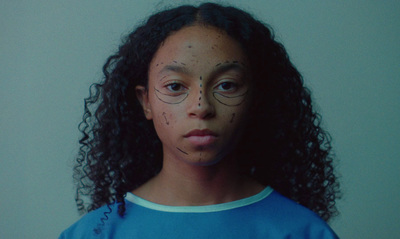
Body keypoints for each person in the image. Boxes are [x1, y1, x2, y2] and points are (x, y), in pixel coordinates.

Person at [60, 2, 340, 238]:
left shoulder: (302, 232)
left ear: (255, 98)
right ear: (146, 101)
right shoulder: (96, 233)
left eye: (227, 85)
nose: (201, 106)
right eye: (175, 86)